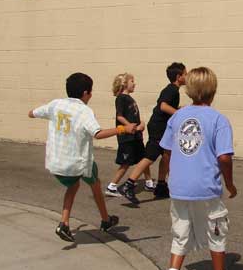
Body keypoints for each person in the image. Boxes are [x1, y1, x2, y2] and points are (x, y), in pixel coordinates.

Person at [158, 67, 237, 270]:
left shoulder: (177, 117)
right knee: (216, 229)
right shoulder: (218, 120)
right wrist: (230, 184)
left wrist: (172, 174)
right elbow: (224, 157)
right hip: (206, 187)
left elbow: (167, 150)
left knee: (181, 230)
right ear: (213, 91)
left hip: (179, 186)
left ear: (188, 90)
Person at [28, 72, 136, 242]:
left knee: (75, 185)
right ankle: (105, 220)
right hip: (78, 162)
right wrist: (123, 129)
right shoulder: (84, 111)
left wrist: (34, 113)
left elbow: (32, 113)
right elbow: (97, 133)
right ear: (85, 93)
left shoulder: (56, 104)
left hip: (56, 162)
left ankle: (65, 223)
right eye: (90, 92)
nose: (91, 95)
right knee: (93, 184)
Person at [117, 62, 187, 205]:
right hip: (158, 127)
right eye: (185, 74)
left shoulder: (173, 90)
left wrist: (179, 109)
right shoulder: (172, 89)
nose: (187, 76)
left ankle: (161, 185)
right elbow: (163, 106)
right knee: (150, 156)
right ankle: (128, 184)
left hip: (163, 127)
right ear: (178, 77)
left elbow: (166, 105)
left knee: (167, 154)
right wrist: (179, 113)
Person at [105, 73, 152, 197]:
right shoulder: (121, 98)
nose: (134, 83)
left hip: (135, 136)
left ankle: (149, 183)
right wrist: (133, 127)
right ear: (124, 84)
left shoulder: (129, 98)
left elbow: (133, 115)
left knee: (143, 158)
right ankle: (112, 186)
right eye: (132, 81)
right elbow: (119, 116)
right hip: (127, 137)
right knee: (126, 162)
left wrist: (140, 124)